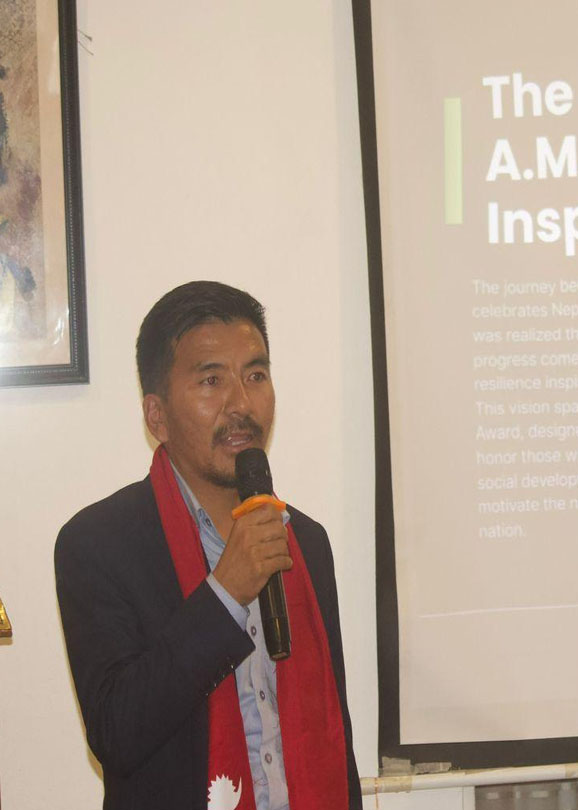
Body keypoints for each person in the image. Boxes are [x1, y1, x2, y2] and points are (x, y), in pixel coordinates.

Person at [55, 281, 361, 810]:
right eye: (212, 380)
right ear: (157, 416)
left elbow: (336, 741)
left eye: (255, 376)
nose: (241, 403)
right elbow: (117, 734)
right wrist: (225, 592)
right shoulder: (97, 544)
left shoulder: (305, 541)